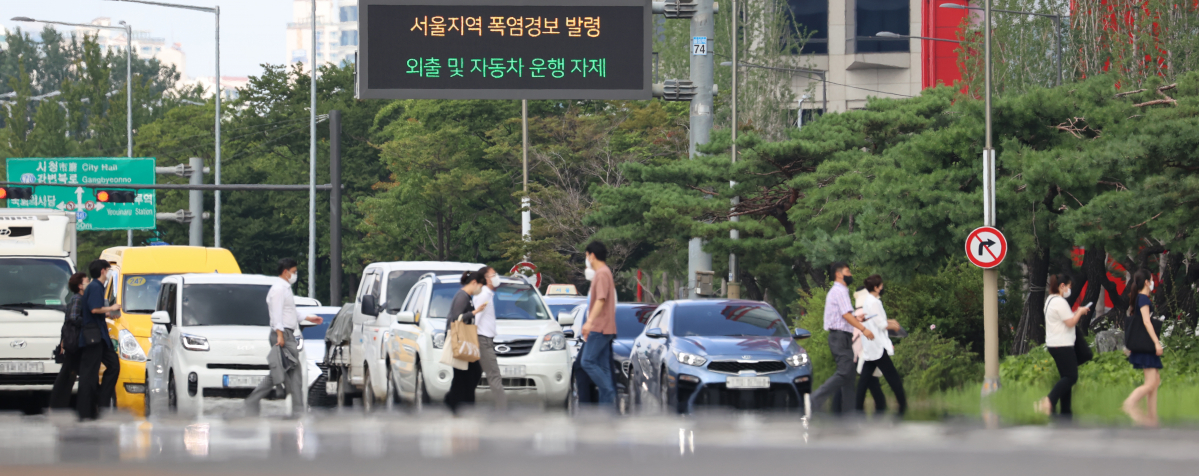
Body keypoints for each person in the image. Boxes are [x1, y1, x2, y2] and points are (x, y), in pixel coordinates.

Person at [245, 258, 322, 418]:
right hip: (283, 335)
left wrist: (309, 317)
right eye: (294, 272)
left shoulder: (285, 289)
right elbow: (276, 313)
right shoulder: (279, 290)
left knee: (285, 371)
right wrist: (280, 335)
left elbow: (290, 312)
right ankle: (296, 410)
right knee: (290, 372)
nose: (295, 275)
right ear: (286, 272)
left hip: (286, 333)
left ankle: (294, 409)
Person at [810, 262, 873, 414]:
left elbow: (845, 316)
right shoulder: (840, 291)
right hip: (839, 337)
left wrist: (857, 319)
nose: (850, 274)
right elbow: (845, 314)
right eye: (847, 271)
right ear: (839, 274)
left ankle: (849, 414)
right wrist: (863, 329)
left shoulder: (839, 291)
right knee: (845, 372)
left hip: (842, 336)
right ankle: (815, 399)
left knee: (849, 378)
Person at [1037, 273, 1089, 417]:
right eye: (1069, 286)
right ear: (1062, 286)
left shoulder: (1050, 300)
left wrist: (1076, 313)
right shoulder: (1060, 301)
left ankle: (1066, 412)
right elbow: (1070, 322)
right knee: (1071, 377)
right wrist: (1080, 311)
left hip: (1054, 344)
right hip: (1063, 344)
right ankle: (1049, 400)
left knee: (1065, 377)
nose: (1069, 290)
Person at [854, 275, 907, 416]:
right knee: (893, 377)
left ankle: (857, 408)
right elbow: (881, 323)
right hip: (877, 345)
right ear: (876, 288)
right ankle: (902, 405)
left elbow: (876, 319)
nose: (882, 288)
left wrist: (890, 321)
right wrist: (894, 326)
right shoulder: (874, 303)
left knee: (864, 379)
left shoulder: (868, 302)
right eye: (881, 286)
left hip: (871, 346)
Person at [77, 260, 121, 420]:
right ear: (103, 271)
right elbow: (94, 309)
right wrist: (111, 308)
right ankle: (87, 411)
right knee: (89, 374)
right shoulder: (95, 286)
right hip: (94, 337)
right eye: (108, 270)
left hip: (100, 336)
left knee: (113, 365)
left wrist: (107, 313)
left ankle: (101, 400)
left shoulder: (96, 287)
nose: (109, 273)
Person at [444, 269, 489, 414]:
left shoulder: (465, 296)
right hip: (461, 340)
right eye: (480, 287)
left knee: (467, 374)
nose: (480, 290)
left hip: (464, 341)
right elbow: (456, 318)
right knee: (467, 374)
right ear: (474, 283)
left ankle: (456, 402)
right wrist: (474, 312)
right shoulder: (462, 296)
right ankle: (458, 403)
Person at [1122, 269, 1162, 426]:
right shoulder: (1143, 299)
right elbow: (1146, 322)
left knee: (1155, 381)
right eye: (1151, 279)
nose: (1152, 282)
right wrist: (1156, 343)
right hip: (1146, 345)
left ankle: (1152, 417)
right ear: (1146, 282)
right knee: (1151, 383)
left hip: (1145, 345)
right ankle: (1129, 403)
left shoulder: (1141, 298)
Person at [579, 241, 618, 407]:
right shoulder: (605, 272)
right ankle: (607, 410)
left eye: (586, 256)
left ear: (592, 255)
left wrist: (589, 322)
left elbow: (601, 299)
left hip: (600, 327)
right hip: (606, 327)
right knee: (604, 368)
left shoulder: (601, 274)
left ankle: (609, 392)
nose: (586, 259)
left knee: (586, 362)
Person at [49, 272, 89, 410]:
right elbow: (73, 318)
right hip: (75, 342)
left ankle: (59, 404)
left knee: (69, 373)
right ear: (80, 286)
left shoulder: (79, 298)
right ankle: (58, 405)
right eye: (86, 281)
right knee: (68, 373)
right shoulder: (77, 299)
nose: (89, 283)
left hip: (73, 341)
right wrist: (89, 320)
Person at [473, 266, 507, 412]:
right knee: (494, 376)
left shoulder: (487, 294)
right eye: (493, 275)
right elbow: (476, 319)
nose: (496, 277)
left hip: (484, 340)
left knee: (473, 376)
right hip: (482, 340)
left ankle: (462, 404)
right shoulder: (484, 295)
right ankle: (502, 410)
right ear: (486, 279)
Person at [850, 286, 887, 414]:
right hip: (863, 353)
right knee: (869, 383)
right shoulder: (866, 313)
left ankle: (850, 410)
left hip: (858, 353)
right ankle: (875, 410)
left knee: (869, 383)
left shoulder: (856, 313)